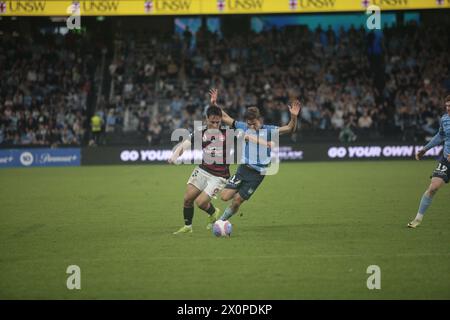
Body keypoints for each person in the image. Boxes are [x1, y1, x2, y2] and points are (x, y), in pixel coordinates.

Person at [209, 88, 301, 222]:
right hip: (243, 169)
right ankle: (221, 218)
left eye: (254, 123)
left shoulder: (269, 130)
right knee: (224, 196)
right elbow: (224, 117)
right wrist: (214, 104)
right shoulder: (243, 126)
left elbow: (290, 128)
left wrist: (293, 116)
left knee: (237, 201)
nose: (251, 126)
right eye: (249, 123)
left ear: (259, 120)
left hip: (257, 174)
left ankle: (221, 222)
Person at [170, 105, 229, 234]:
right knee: (187, 199)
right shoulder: (200, 132)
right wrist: (174, 156)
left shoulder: (228, 132)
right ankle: (188, 227)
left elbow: (245, 134)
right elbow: (185, 145)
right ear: (206, 119)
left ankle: (213, 213)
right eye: (212, 122)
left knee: (201, 203)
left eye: (217, 122)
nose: (215, 125)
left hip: (219, 175)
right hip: (203, 169)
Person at [408, 95, 450, 228]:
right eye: (447, 106)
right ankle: (417, 220)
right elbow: (441, 135)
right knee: (433, 187)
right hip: (446, 159)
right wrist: (425, 149)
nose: (448, 109)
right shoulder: (444, 119)